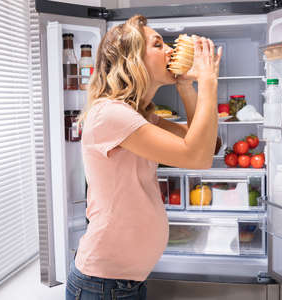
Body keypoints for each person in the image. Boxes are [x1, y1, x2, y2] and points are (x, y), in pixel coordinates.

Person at [66, 15, 222, 300]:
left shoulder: (139, 115)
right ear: (132, 59)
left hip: (123, 282)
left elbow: (208, 144)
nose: (170, 50)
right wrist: (208, 81)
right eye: (158, 44)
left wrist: (186, 87)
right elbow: (197, 157)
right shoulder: (110, 114)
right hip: (102, 283)